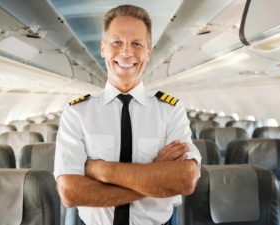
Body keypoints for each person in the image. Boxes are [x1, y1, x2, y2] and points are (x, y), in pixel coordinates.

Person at [54, 4, 201, 225]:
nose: (126, 52)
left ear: (148, 52)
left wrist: (101, 170)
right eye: (116, 42)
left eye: (137, 44)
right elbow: (71, 193)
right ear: (103, 48)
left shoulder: (171, 110)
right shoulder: (77, 112)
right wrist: (156, 176)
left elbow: (185, 180)